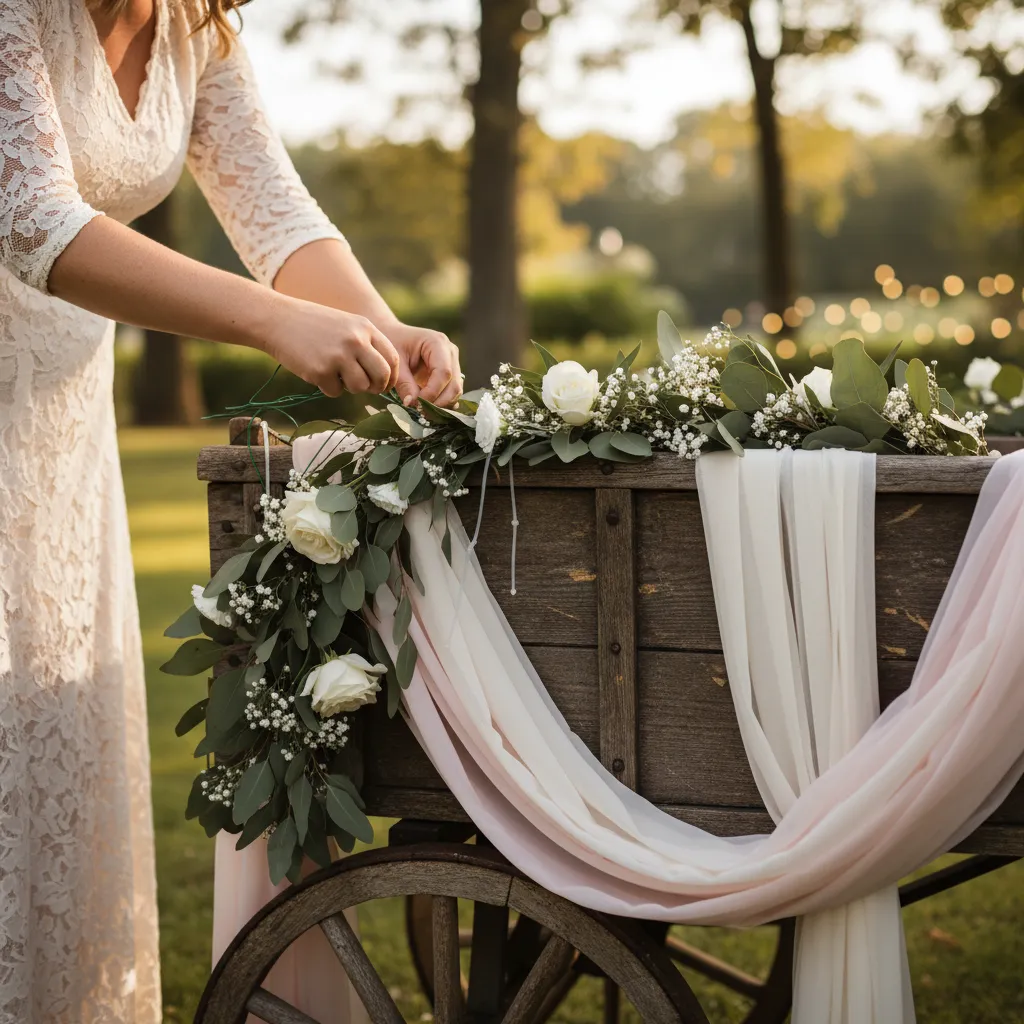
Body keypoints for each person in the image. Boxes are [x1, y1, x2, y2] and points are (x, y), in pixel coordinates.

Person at [0, 1, 463, 1019]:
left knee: (44, 744)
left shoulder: (194, 28)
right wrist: (273, 324)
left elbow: (277, 216)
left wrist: (382, 334)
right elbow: (33, 219)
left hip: (57, 429)